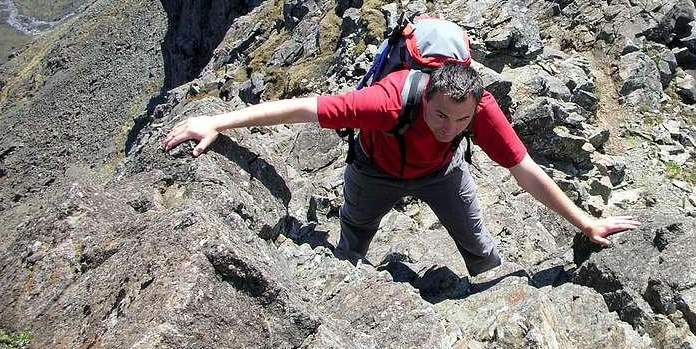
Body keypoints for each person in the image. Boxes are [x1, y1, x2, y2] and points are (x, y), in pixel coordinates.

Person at [163, 62, 640, 275]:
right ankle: (350, 272)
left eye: (461, 119)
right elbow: (303, 108)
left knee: (479, 244)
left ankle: (488, 278)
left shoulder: (483, 110)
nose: (450, 127)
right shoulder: (389, 102)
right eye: (439, 116)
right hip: (374, 170)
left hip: (442, 174)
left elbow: (525, 169)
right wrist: (217, 121)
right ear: (425, 95)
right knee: (353, 238)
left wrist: (586, 222)